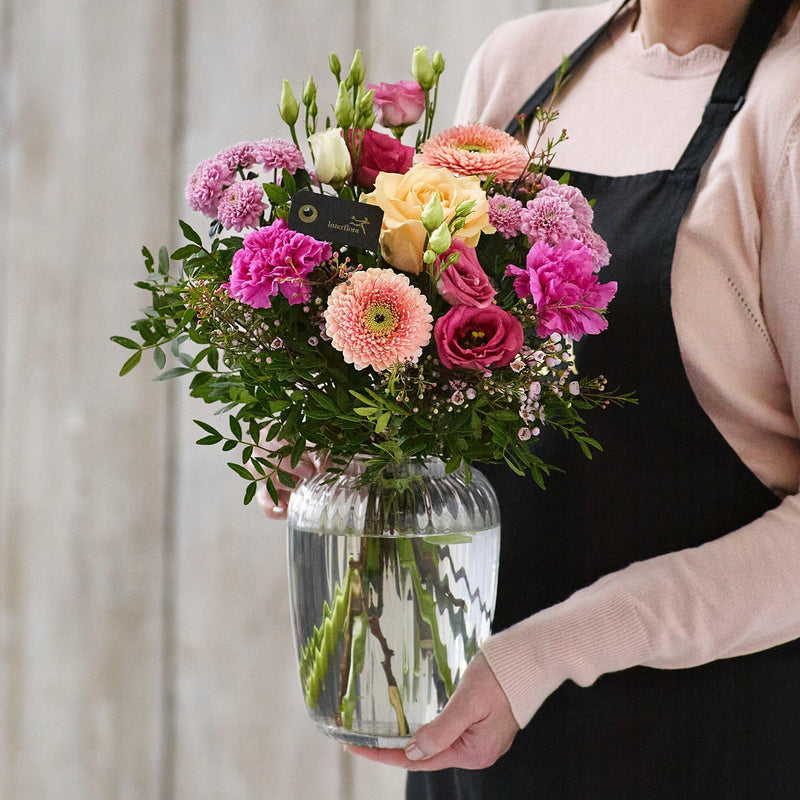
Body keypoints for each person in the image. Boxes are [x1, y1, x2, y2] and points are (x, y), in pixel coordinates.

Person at [333, 0, 800, 797]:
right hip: (479, 737)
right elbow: (443, 390)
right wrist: (335, 444)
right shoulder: (522, 66)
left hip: (708, 747)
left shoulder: (786, 110)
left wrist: (546, 655)